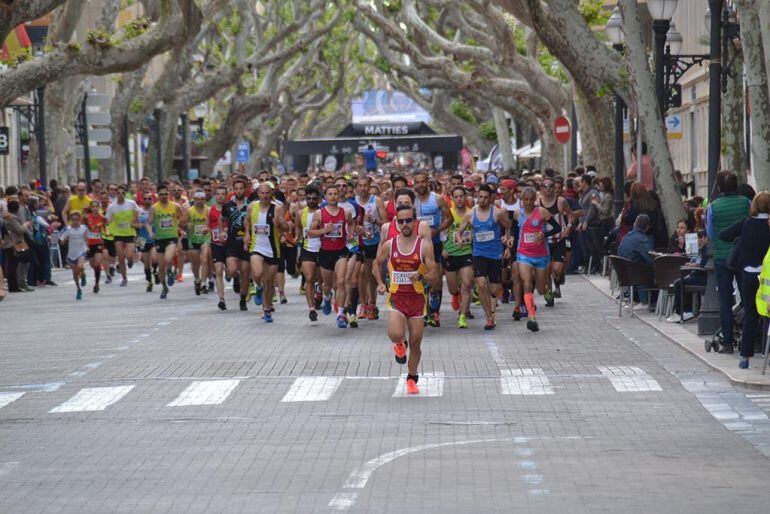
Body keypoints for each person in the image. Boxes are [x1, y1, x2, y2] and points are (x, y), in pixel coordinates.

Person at [373, 205, 438, 395]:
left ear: (415, 222)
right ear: (396, 223)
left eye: (408, 220)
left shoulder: (424, 246)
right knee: (395, 334)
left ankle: (411, 378)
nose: (405, 224)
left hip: (417, 300)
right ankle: (400, 344)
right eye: (400, 221)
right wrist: (380, 283)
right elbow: (376, 264)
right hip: (397, 298)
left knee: (416, 344)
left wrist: (422, 277)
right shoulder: (390, 245)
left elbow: (434, 273)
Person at [719, 191, 770, 367]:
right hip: (767, 275)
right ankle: (766, 353)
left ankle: (745, 357)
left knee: (750, 314)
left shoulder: (746, 223)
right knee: (768, 316)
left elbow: (724, 235)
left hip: (748, 274)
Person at [706, 171, 751, 354]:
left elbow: (710, 233)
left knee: (725, 300)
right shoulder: (746, 202)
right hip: (742, 256)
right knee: (747, 298)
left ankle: (728, 343)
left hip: (722, 257)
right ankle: (749, 338)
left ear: (718, 187)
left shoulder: (713, 206)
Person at [456, 184, 512, 330]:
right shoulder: (470, 214)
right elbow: (459, 232)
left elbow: (508, 226)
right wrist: (460, 239)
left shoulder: (497, 213)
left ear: (491, 198)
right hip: (479, 254)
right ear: (477, 196)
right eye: (480, 197)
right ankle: (489, 318)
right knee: (481, 284)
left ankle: (490, 307)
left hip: (495, 254)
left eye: (486, 197)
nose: (482, 200)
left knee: (494, 290)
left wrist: (507, 240)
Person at [514, 187, 560, 332]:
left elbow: (557, 228)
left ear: (535, 200)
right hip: (524, 254)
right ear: (521, 200)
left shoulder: (541, 212)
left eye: (531, 199)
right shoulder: (517, 213)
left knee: (540, 289)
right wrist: (509, 239)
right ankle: (531, 317)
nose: (528, 202)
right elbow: (514, 231)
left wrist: (544, 234)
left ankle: (547, 292)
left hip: (541, 255)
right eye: (525, 200)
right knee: (527, 282)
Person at [308, 184, 354, 328]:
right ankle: (327, 298)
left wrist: (351, 235)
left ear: (339, 195)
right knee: (327, 285)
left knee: (341, 282)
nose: (333, 196)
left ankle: (340, 315)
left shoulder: (345, 213)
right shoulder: (319, 214)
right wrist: (324, 230)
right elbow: (310, 232)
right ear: (325, 197)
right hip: (325, 252)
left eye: (335, 193)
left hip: (341, 252)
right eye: (330, 194)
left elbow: (351, 224)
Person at [244, 183, 289, 322]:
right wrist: (247, 234)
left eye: (267, 193)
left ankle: (267, 309)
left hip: (272, 248)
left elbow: (287, 228)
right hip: (256, 246)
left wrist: (279, 223)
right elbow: (247, 221)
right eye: (262, 193)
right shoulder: (252, 207)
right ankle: (258, 287)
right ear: (258, 194)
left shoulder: (277, 208)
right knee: (257, 274)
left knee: (269, 283)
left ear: (271, 193)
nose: (265, 196)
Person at [414, 171, 451, 327]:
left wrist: (437, 230)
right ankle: (423, 311)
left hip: (434, 243)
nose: (420, 185)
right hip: (416, 245)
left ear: (427, 182)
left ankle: (434, 311)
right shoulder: (411, 200)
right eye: (417, 182)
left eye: (423, 182)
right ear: (414, 184)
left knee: (435, 277)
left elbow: (450, 219)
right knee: (420, 278)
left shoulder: (437, 199)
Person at [443, 186, 474, 329]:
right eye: (456, 197)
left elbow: (475, 230)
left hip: (466, 253)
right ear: (452, 198)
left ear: (465, 197)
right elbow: (442, 232)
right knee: (452, 289)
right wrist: (443, 248)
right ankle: (455, 295)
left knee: (467, 284)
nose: (459, 199)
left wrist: (470, 238)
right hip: (450, 253)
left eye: (462, 196)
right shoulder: (448, 213)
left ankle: (462, 316)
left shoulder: (471, 213)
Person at [148, 185, 185, 300]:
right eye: (161, 194)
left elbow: (182, 218)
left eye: (165, 194)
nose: (164, 196)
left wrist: (179, 227)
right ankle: (164, 287)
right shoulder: (154, 208)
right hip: (159, 239)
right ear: (158, 196)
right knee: (161, 267)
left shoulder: (175, 206)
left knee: (168, 258)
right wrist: (150, 232)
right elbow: (148, 223)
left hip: (171, 237)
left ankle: (170, 272)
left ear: (169, 194)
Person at [220, 178, 251, 311]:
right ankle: (235, 278)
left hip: (246, 243)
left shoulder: (250, 205)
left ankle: (243, 299)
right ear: (233, 190)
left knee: (245, 273)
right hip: (231, 243)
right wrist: (222, 231)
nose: (238, 191)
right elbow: (222, 219)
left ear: (245, 189)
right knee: (232, 270)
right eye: (236, 188)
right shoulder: (227, 205)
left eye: (241, 188)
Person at [667, 230, 709, 323]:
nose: (696, 241)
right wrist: (694, 265)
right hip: (698, 275)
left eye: (697, 239)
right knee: (680, 281)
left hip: (702, 277)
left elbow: (704, 265)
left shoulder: (705, 249)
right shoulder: (702, 249)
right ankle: (683, 310)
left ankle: (682, 311)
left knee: (678, 283)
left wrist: (695, 266)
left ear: (703, 238)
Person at [296, 185, 322, 321]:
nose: (311, 201)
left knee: (322, 280)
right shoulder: (301, 213)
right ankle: (311, 309)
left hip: (323, 249)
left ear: (319, 199)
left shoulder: (323, 212)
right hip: (307, 249)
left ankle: (321, 292)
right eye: (308, 198)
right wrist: (297, 239)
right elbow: (298, 229)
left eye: (314, 198)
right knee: (309, 278)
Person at [105, 185, 138, 287]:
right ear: (116, 194)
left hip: (129, 233)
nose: (120, 195)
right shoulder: (112, 207)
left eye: (122, 193)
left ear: (125, 194)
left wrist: (134, 221)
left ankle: (130, 261)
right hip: (118, 233)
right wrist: (106, 227)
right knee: (120, 257)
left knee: (129, 256)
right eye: (118, 193)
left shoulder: (131, 203)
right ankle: (124, 278)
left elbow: (137, 212)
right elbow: (107, 220)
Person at [618, 214, 655, 305]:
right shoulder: (642, 240)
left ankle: (635, 299)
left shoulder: (626, 237)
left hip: (624, 274)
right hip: (636, 275)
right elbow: (651, 259)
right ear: (647, 227)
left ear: (634, 224)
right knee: (657, 272)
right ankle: (646, 302)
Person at [59, 211, 89, 300]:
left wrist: (87, 245)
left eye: (77, 220)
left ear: (80, 220)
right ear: (70, 220)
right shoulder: (67, 229)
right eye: (73, 220)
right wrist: (65, 240)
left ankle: (83, 275)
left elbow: (88, 238)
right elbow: (61, 242)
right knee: (75, 273)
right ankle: (78, 289)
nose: (75, 222)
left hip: (82, 251)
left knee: (80, 267)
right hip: (72, 253)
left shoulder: (84, 228)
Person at [186, 190, 211, 296]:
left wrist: (207, 228)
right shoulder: (189, 211)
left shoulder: (208, 210)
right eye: (197, 199)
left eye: (202, 199)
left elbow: (212, 224)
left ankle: (204, 283)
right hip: (193, 239)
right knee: (195, 264)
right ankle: (197, 280)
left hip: (205, 238)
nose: (200, 201)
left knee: (204, 259)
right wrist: (187, 225)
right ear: (194, 200)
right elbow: (181, 223)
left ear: (205, 200)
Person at [208, 185, 229, 310]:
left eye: (223, 194)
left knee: (231, 270)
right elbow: (206, 225)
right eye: (218, 194)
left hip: (229, 245)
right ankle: (221, 299)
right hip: (216, 244)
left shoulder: (230, 209)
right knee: (219, 270)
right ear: (215, 196)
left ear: (226, 196)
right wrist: (206, 229)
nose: (220, 196)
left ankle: (235, 278)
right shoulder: (210, 210)